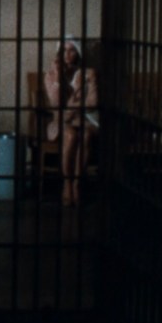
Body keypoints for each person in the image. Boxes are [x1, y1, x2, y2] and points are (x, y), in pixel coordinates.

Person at [44, 36, 98, 207]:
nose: (68, 54)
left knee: (86, 135)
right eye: (64, 50)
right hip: (61, 121)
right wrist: (59, 79)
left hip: (84, 120)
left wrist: (72, 106)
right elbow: (56, 104)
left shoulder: (88, 73)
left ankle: (77, 183)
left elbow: (94, 102)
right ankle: (67, 183)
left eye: (72, 50)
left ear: (78, 52)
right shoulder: (51, 75)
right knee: (70, 135)